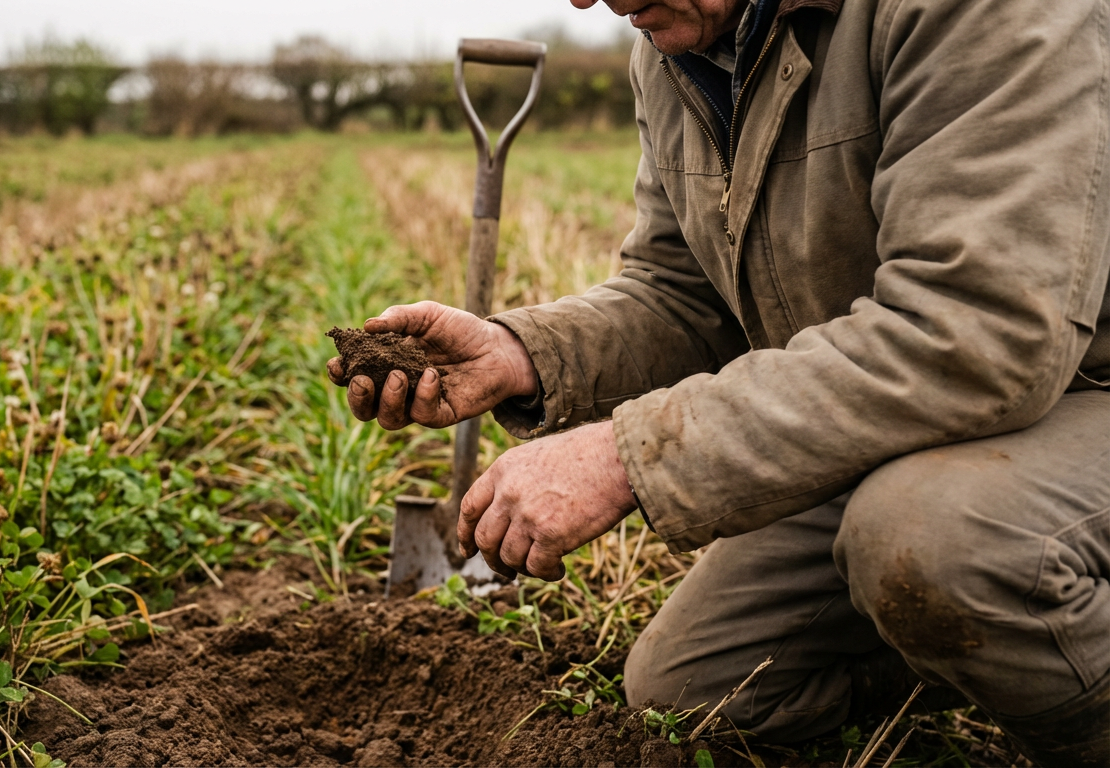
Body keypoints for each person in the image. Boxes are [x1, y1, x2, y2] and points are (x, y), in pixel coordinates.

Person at [328, 0, 1110, 763]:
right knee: (698, 689)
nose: (590, 0)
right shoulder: (680, 50)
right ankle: (996, 655)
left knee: (929, 541)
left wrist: (625, 458)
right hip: (917, 415)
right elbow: (685, 294)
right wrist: (517, 353)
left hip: (1076, 396)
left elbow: (974, 330)